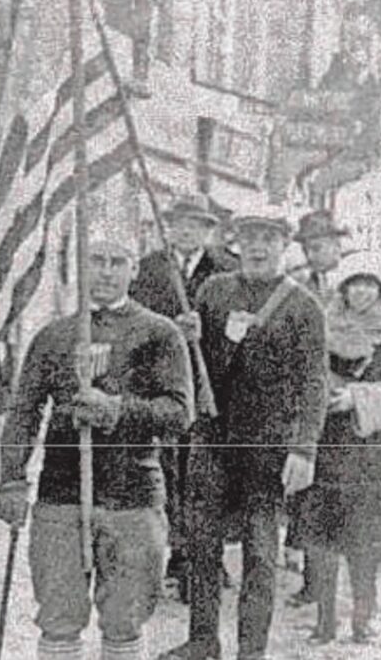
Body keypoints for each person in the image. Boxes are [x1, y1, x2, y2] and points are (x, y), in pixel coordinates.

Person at [0, 238, 194, 660]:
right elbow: (24, 412)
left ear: (134, 270)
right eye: (96, 260)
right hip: (61, 497)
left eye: (117, 262)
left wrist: (116, 410)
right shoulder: (54, 336)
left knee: (125, 619)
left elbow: (179, 413)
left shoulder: (160, 333)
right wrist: (11, 479)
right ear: (80, 267)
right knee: (59, 616)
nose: (105, 271)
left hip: (132, 496)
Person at [160, 205, 327, 660]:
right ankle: (202, 641)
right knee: (201, 544)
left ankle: (251, 650)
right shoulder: (214, 291)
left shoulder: (303, 305)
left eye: (268, 239)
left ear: (284, 245)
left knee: (260, 553)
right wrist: (187, 334)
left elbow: (314, 382)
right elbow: (195, 362)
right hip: (213, 438)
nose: (257, 247)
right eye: (249, 238)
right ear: (236, 243)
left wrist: (304, 450)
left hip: (267, 445)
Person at [292, 252, 381, 645]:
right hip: (329, 447)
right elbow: (304, 373)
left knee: (365, 545)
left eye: (369, 285)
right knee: (323, 542)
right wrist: (323, 396)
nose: (361, 292)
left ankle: (363, 618)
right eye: (354, 285)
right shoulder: (324, 328)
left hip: (372, 454)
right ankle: (325, 621)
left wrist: (358, 398)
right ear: (343, 289)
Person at [129, 195, 236, 600]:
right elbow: (134, 324)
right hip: (164, 387)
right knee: (167, 470)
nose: (187, 230)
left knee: (206, 472)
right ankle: (177, 553)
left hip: (211, 389)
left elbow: (240, 332)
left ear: (209, 231)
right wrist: (168, 332)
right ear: (168, 227)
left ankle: (207, 556)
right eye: (180, 223)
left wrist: (207, 331)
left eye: (197, 224)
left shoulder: (225, 270)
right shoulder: (148, 270)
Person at [283, 210, 349, 608]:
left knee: (334, 493)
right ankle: (312, 579)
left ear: (338, 246)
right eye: (308, 247)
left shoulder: (356, 283)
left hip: (343, 399)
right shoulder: (300, 287)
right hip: (307, 398)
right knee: (306, 492)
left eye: (320, 246)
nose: (313, 254)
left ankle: (335, 580)